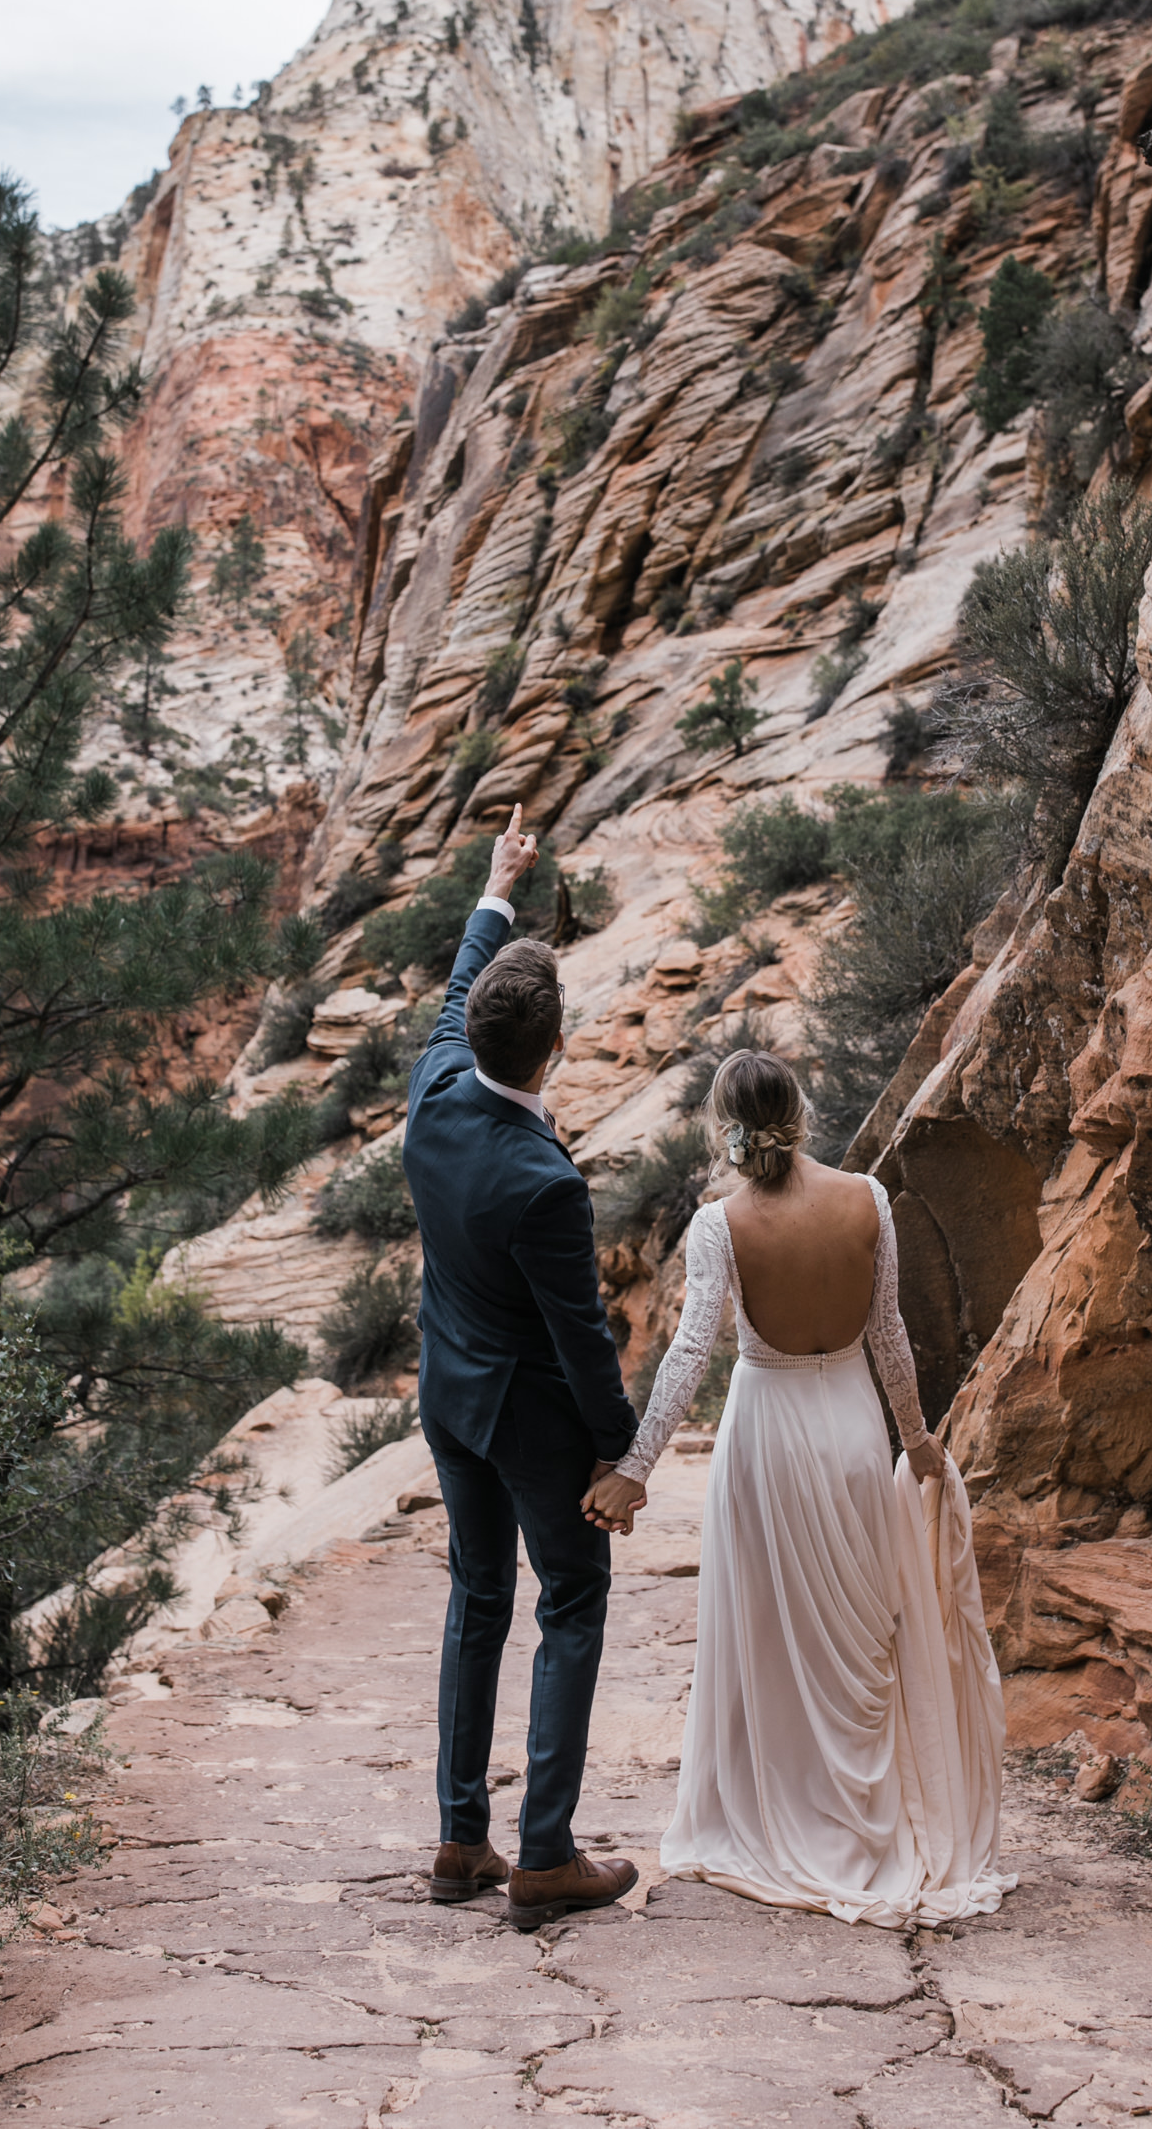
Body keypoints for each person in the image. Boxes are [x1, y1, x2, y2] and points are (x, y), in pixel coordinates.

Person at [583, 1048, 1017, 1929]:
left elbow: (689, 1353)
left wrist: (634, 1471)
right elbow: (889, 1330)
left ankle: (781, 1815)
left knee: (770, 1640)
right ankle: (872, 1816)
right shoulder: (867, 1199)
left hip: (767, 1440)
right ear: (803, 1112)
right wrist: (918, 1440)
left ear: (722, 1128)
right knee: (866, 1633)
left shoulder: (720, 1224)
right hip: (855, 1429)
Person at [402, 803, 642, 1930]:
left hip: (447, 1394)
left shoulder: (437, 1086)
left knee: (475, 1597)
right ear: (554, 1049)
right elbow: (580, 1330)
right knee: (574, 1601)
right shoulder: (544, 1182)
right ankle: (543, 1856)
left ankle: (460, 1839)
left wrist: (497, 883)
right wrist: (619, 1441)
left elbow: (457, 985)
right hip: (529, 1419)